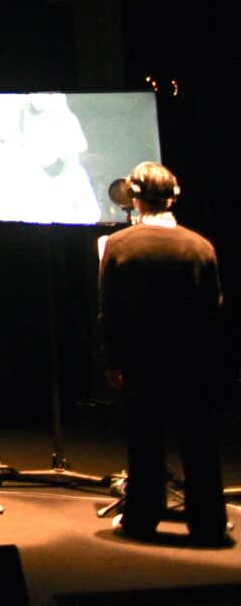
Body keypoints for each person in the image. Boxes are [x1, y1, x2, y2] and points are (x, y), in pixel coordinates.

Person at [99, 162, 226, 542]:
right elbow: (213, 308)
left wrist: (112, 360)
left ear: (136, 199)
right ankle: (208, 523)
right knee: (199, 440)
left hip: (141, 358)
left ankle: (141, 517)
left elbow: (110, 310)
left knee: (145, 440)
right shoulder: (201, 246)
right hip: (191, 360)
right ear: (172, 198)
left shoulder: (119, 245)